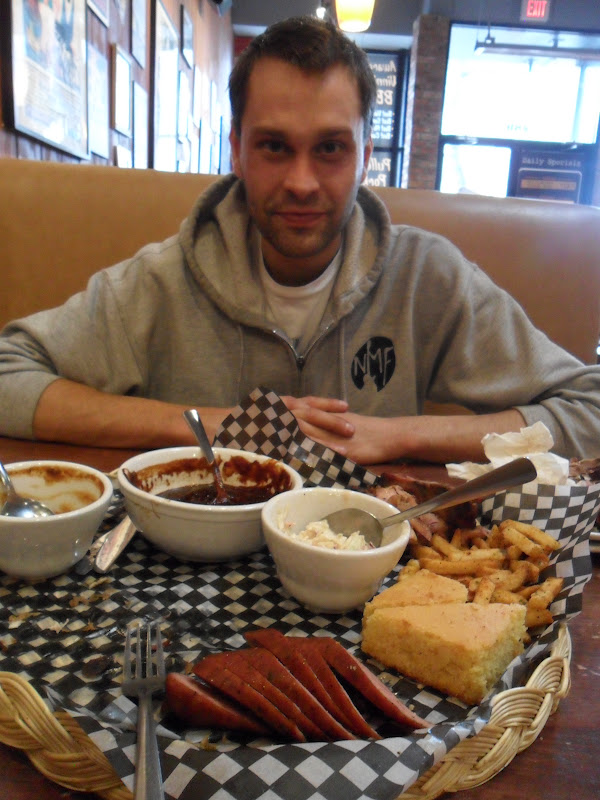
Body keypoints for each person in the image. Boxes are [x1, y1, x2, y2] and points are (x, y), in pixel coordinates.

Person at [1, 16, 599, 466]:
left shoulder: (426, 275)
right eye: (274, 146)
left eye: (331, 148)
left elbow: (589, 410)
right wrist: (215, 425)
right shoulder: (162, 280)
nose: (302, 183)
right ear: (237, 150)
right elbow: (8, 376)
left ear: (365, 157)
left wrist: (398, 434)